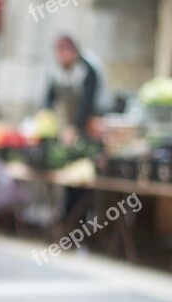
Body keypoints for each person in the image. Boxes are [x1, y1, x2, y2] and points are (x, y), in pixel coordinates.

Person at [45, 35, 102, 220]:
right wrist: (44, 119)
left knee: (83, 178)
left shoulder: (87, 70)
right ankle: (68, 218)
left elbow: (87, 102)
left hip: (88, 129)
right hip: (68, 128)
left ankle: (81, 222)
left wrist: (74, 128)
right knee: (69, 175)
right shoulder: (55, 70)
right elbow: (48, 98)